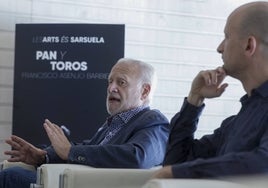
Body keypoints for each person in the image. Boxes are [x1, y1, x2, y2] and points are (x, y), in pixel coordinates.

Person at [0, 58, 170, 188]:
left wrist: (70, 151)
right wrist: (43, 156)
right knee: (10, 173)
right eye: (110, 81)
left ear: (144, 91)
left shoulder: (154, 121)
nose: (111, 88)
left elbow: (138, 158)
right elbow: (88, 148)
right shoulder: (114, 124)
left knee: (11, 177)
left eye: (121, 82)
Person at [153, 1, 268, 179]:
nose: (219, 48)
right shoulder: (239, 119)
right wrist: (194, 99)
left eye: (227, 37)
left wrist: (178, 172)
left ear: (249, 45)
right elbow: (176, 161)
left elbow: (263, 163)